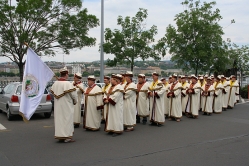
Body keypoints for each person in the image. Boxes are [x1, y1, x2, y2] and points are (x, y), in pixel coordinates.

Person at [51, 67, 77, 143]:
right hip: (67, 105)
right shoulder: (68, 84)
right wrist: (75, 101)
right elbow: (74, 95)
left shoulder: (55, 84)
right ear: (66, 74)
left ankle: (60, 136)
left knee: (59, 120)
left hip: (58, 106)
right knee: (67, 120)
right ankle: (67, 137)